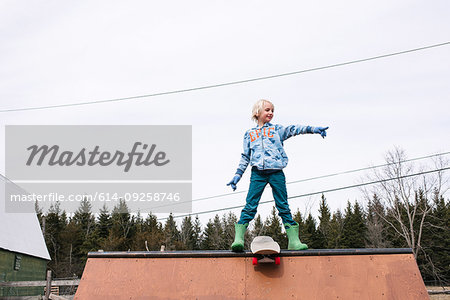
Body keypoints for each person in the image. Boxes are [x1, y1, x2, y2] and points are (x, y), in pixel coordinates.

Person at [227, 99, 328, 252]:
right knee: (250, 205)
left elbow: (294, 129)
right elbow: (245, 156)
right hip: (257, 174)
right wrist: (237, 176)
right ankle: (239, 239)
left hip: (276, 173)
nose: (271, 113)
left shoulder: (277, 130)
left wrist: (314, 129)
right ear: (257, 113)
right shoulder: (249, 134)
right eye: (267, 110)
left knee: (283, 204)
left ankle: (294, 241)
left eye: (272, 110)